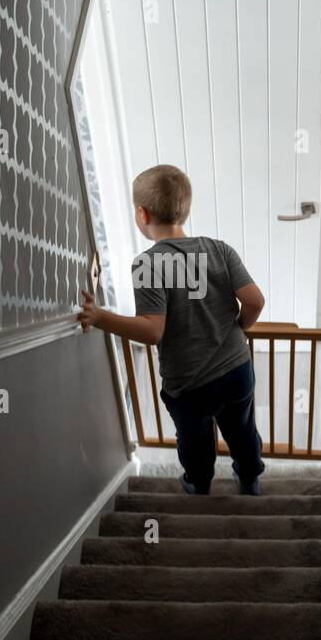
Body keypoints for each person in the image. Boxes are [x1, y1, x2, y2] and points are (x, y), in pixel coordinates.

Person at [78, 164, 266, 495]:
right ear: (185, 208)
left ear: (143, 214)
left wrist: (100, 318)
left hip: (190, 385)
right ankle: (249, 478)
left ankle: (199, 482)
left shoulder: (148, 263)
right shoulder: (219, 249)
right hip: (237, 368)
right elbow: (255, 301)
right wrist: (238, 329)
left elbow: (152, 331)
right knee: (242, 430)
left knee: (195, 440)